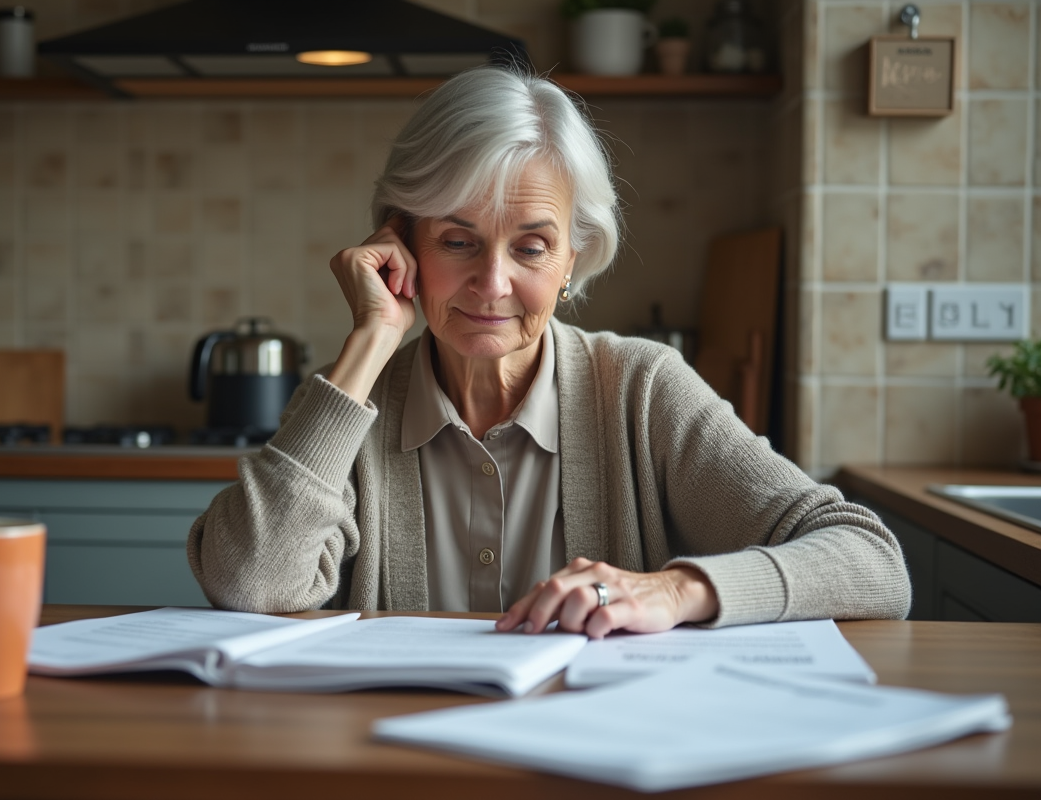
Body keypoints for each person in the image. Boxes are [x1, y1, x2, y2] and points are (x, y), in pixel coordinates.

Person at [188, 67, 910, 638]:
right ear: (399, 241)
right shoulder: (351, 408)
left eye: (531, 247)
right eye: (457, 241)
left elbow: (873, 565)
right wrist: (372, 340)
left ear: (572, 261)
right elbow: (250, 584)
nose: (492, 284)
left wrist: (671, 590)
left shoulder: (641, 390)